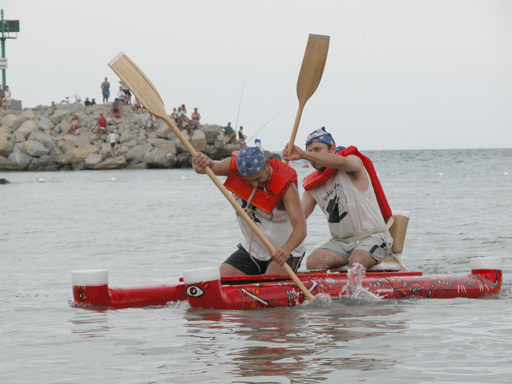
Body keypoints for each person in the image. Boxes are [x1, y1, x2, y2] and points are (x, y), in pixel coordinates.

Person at [282, 127, 393, 272]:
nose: (313, 155)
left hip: (374, 238)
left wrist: (303, 154)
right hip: (341, 243)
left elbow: (340, 163)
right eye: (310, 151)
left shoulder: (352, 162)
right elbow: (298, 217)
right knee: (314, 262)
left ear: (332, 148)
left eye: (317, 149)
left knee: (357, 259)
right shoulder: (313, 186)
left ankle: (356, 293)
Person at [192, 144, 307, 276]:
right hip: (253, 249)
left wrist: (286, 249)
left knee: (270, 280)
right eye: (248, 181)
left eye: (258, 178)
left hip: (284, 250)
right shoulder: (234, 167)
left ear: (267, 164)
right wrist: (199, 163)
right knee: (224, 276)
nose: (254, 185)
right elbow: (207, 167)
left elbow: (301, 227)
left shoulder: (287, 188)